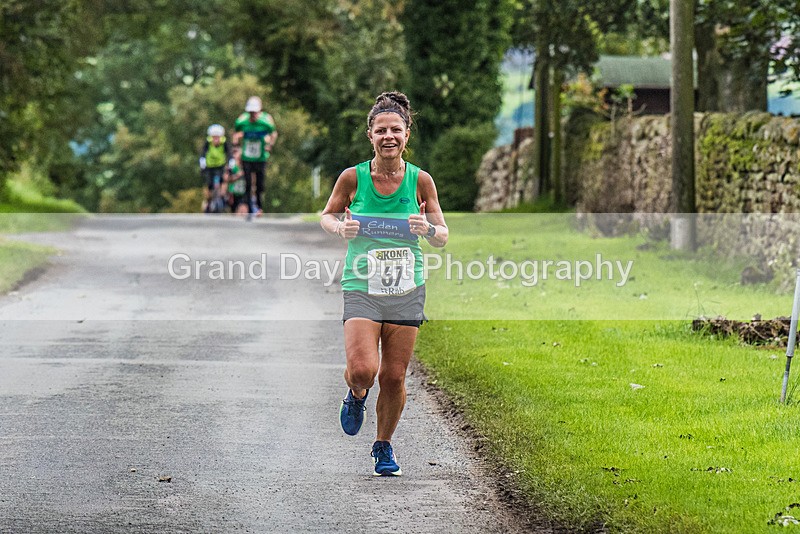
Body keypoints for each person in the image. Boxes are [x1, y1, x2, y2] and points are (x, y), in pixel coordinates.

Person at [320, 91, 448, 476]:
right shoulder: (353, 178)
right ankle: (357, 393)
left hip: (407, 287)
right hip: (363, 285)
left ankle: (384, 446)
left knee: (393, 375)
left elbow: (442, 234)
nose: (388, 136)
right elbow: (325, 216)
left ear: (407, 134)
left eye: (396, 129)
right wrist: (341, 226)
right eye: (381, 130)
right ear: (370, 136)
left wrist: (427, 228)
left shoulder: (421, 181)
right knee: (363, 370)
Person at [233, 96, 277, 216]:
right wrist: (236, 146)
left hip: (260, 157)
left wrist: (270, 145)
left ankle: (259, 206)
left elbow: (273, 133)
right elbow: (236, 133)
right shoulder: (242, 121)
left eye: (255, 112)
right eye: (251, 112)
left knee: (259, 184)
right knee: (247, 183)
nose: (253, 115)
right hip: (247, 157)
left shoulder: (265, 122)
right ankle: (249, 209)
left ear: (259, 111)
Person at [199, 124, 234, 213]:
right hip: (209, 166)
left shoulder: (224, 143)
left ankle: (222, 197)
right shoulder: (208, 143)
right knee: (209, 184)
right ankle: (208, 201)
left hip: (220, 166)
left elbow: (229, 154)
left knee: (223, 181)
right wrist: (202, 166)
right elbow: (203, 154)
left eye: (217, 137)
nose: (216, 140)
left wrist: (231, 165)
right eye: (214, 137)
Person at [226, 145, 250, 216]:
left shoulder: (247, 167)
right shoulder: (231, 167)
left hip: (244, 194)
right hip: (233, 194)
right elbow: (227, 179)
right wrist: (238, 175)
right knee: (234, 213)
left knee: (243, 210)